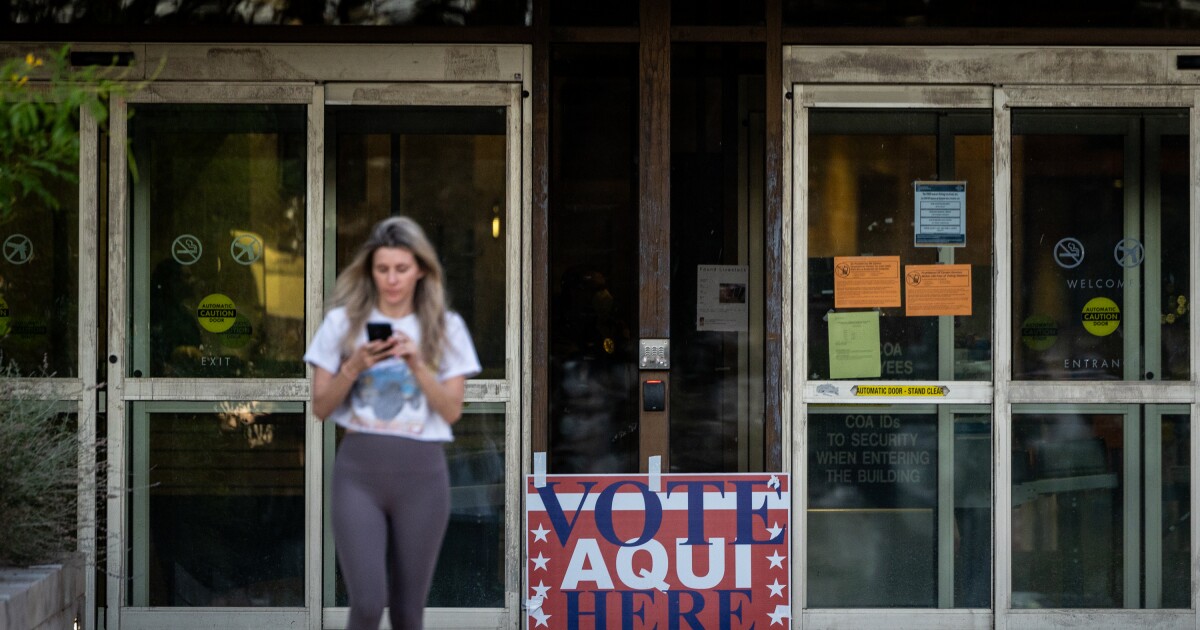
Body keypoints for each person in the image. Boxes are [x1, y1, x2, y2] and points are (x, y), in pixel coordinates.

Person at [304, 216, 480, 629]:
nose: (392, 279)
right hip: (358, 474)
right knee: (367, 603)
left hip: (422, 477)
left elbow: (452, 411)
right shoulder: (342, 324)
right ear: (370, 271)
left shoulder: (445, 327)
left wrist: (417, 363)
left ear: (420, 269)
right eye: (382, 269)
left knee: (407, 612)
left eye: (402, 268)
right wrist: (353, 366)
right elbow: (321, 407)